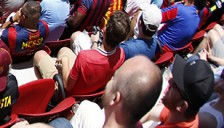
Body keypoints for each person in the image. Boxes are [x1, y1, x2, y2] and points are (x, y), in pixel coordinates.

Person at [32, 55, 163, 128]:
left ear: (115, 98)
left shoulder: (89, 110)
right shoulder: (136, 119)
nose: (109, 80)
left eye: (114, 79)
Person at [33, 11, 128, 97]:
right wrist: (94, 43)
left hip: (68, 94)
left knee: (39, 54)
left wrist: (65, 62)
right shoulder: (121, 55)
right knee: (64, 50)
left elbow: (67, 86)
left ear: (104, 30)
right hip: (91, 89)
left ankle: (48, 95)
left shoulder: (84, 57)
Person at [142, 55, 214, 127]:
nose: (170, 80)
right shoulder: (182, 116)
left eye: (175, 85)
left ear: (181, 106)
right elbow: (150, 113)